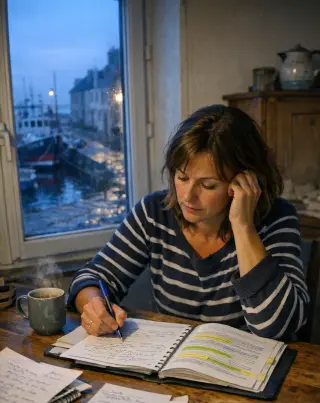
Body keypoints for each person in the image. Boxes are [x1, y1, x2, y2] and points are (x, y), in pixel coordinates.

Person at [68, 104, 309, 340]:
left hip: (244, 371)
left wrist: (243, 226)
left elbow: (278, 327)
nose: (187, 196)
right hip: (171, 369)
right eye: (182, 177)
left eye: (208, 185)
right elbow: (92, 276)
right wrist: (93, 303)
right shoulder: (155, 212)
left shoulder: (276, 218)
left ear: (245, 182)